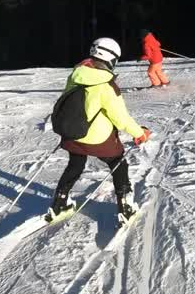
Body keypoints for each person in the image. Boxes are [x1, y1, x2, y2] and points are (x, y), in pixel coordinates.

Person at [47, 37, 152, 226]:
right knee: (118, 162)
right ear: (111, 59)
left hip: (74, 134)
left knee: (75, 163)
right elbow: (121, 119)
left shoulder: (75, 75)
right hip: (98, 139)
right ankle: (125, 207)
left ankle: (60, 201)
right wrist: (140, 133)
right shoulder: (107, 86)